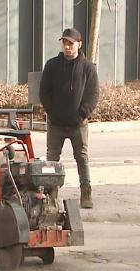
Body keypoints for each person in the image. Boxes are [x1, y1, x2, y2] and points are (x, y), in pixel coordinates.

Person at [38, 27, 99, 209]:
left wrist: (81, 115)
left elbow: (93, 95)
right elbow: (44, 92)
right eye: (64, 43)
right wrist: (51, 112)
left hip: (78, 124)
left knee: (82, 158)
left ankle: (86, 192)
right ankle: (51, 194)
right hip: (56, 123)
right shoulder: (52, 65)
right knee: (52, 160)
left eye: (70, 43)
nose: (67, 47)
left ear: (79, 44)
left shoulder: (88, 68)